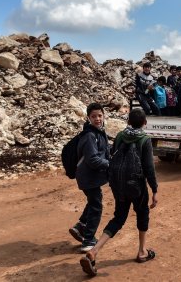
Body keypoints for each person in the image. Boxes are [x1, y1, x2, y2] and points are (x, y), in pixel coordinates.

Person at [80, 108, 159, 276]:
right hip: (137, 186)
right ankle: (142, 251)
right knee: (142, 214)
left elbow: (111, 157)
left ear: (128, 122)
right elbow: (149, 168)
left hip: (119, 185)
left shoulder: (121, 136)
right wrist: (154, 190)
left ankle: (94, 251)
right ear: (145, 123)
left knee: (118, 218)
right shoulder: (145, 140)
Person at [70, 103, 111, 252]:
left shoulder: (98, 132)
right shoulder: (89, 135)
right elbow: (93, 160)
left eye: (99, 116)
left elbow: (103, 150)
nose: (97, 119)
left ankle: (80, 226)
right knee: (96, 206)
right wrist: (110, 164)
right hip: (88, 176)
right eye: (94, 116)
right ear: (88, 118)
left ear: (103, 115)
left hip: (91, 176)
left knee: (94, 200)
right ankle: (88, 240)